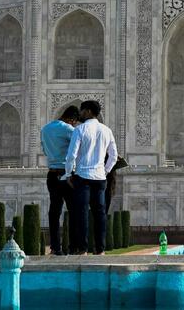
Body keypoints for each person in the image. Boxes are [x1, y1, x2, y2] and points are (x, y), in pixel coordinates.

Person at [63, 100, 118, 255]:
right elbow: (113, 156)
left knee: (82, 214)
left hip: (83, 177)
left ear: (87, 111)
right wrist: (105, 171)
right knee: (100, 214)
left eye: (82, 110)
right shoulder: (106, 130)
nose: (80, 113)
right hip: (100, 178)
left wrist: (68, 174)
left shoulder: (80, 130)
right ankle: (100, 249)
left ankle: (83, 249)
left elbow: (71, 155)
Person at [40, 105, 79, 255]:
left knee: (54, 211)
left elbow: (44, 150)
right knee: (73, 211)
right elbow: (77, 150)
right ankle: (73, 247)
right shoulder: (69, 130)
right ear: (72, 119)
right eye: (75, 122)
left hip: (52, 175)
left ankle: (55, 247)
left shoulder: (45, 129)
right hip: (67, 175)